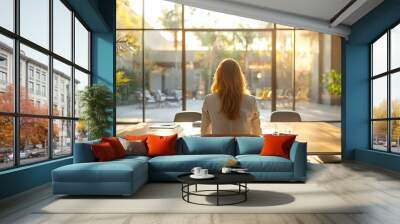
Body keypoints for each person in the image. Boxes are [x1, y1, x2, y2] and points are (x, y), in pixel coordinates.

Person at [201, 58, 262, 136]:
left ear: (218, 77)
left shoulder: (209, 100)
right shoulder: (251, 101)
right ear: (240, 77)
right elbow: (257, 134)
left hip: (219, 147)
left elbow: (204, 133)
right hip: (243, 147)